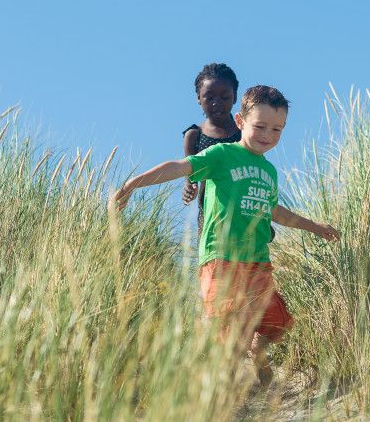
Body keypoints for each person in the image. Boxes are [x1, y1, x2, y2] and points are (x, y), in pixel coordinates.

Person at [110, 85, 340, 386]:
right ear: (240, 122)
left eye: (277, 129)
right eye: (260, 126)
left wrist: (316, 227)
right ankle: (226, 392)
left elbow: (276, 212)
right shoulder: (222, 155)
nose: (268, 135)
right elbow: (178, 167)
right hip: (220, 259)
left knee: (275, 321)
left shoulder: (268, 171)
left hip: (258, 263)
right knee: (228, 327)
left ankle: (257, 352)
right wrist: (133, 184)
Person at [182, 63, 241, 237]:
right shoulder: (194, 136)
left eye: (225, 97)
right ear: (198, 98)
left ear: (235, 97)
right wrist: (189, 189)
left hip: (245, 211)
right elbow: (191, 176)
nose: (217, 103)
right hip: (210, 216)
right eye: (209, 97)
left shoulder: (245, 133)